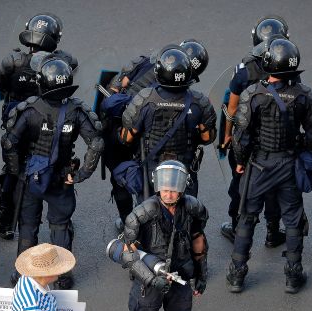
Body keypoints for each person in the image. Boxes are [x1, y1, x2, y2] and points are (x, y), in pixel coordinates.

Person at [225, 38, 312, 294]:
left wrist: (240, 162)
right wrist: (308, 162)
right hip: (289, 164)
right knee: (293, 219)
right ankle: (293, 276)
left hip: (259, 165)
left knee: (247, 217)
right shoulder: (306, 96)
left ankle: (236, 275)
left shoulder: (253, 94)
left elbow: (241, 136)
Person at [2, 57, 103, 289]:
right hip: (62, 178)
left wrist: (18, 172)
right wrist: (81, 174)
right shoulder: (76, 110)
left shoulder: (29, 110)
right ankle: (63, 278)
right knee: (60, 226)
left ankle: (24, 275)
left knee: (28, 225)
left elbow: (9, 143)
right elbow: (96, 143)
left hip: (32, 178)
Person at [116, 160, 209, 311]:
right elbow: (128, 254)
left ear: (182, 189)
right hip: (148, 282)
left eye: (173, 190)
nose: (169, 194)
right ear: (158, 187)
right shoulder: (141, 214)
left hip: (179, 279)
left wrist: (200, 274)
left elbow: (198, 240)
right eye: (165, 189)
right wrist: (150, 278)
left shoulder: (193, 208)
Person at [101, 39, 208, 231]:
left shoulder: (144, 62)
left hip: (124, 128)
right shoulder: (190, 98)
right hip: (134, 132)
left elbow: (115, 86)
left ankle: (129, 223)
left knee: (123, 178)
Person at [0, 13, 78, 240]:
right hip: (51, 124)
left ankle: (5, 222)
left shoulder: (13, 62)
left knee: (12, 171)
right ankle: (61, 221)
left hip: (18, 125)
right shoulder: (64, 62)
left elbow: (1, 85)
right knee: (57, 166)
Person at [218, 16, 292, 248]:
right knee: (274, 187)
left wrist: (227, 134)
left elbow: (231, 108)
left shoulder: (243, 70)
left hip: (245, 138)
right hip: (275, 140)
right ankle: (272, 232)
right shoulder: (288, 67)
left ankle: (237, 227)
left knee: (240, 182)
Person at [119, 44, 216, 200]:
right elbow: (208, 138)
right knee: (188, 208)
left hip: (151, 168)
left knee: (147, 210)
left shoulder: (144, 98)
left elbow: (126, 138)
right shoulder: (199, 101)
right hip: (184, 167)